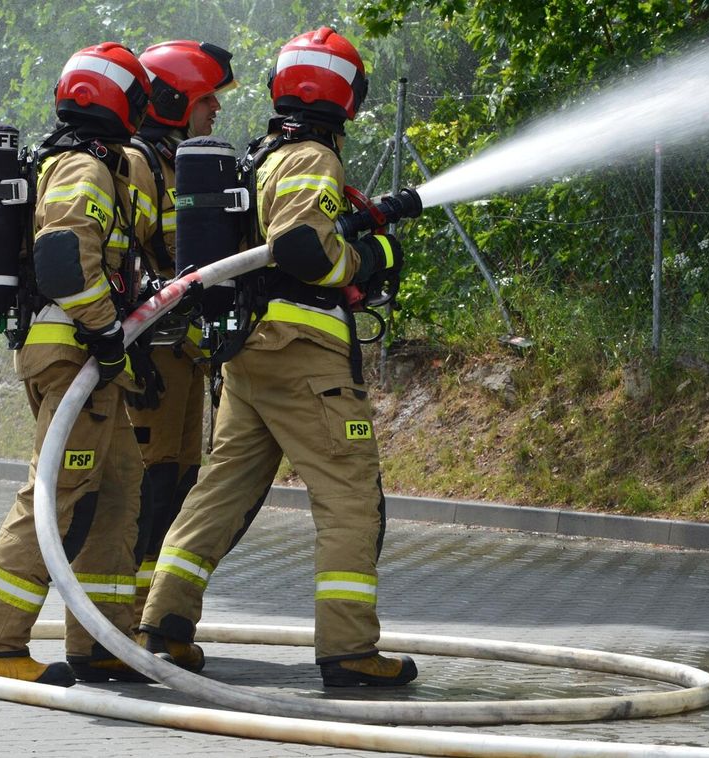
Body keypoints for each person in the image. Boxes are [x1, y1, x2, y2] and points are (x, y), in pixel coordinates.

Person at [137, 27, 416, 687]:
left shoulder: (266, 155)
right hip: (303, 356)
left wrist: (358, 225)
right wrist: (371, 260)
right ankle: (348, 649)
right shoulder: (312, 155)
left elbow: (289, 236)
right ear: (342, 91)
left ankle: (164, 626)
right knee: (350, 494)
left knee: (221, 492)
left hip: (251, 356)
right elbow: (304, 249)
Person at [0, 42, 157, 687]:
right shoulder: (84, 168)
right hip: (72, 350)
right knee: (56, 493)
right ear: (120, 100)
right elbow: (63, 260)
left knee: (119, 486)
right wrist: (104, 332)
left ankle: (102, 639)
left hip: (80, 351)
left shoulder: (92, 165)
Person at [121, 41, 236, 620]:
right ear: (171, 101)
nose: (215, 109)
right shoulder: (140, 165)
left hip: (185, 351)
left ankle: (154, 612)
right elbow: (126, 255)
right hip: (154, 354)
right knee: (154, 481)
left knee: (181, 478)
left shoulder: (180, 166)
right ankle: (132, 613)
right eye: (204, 99)